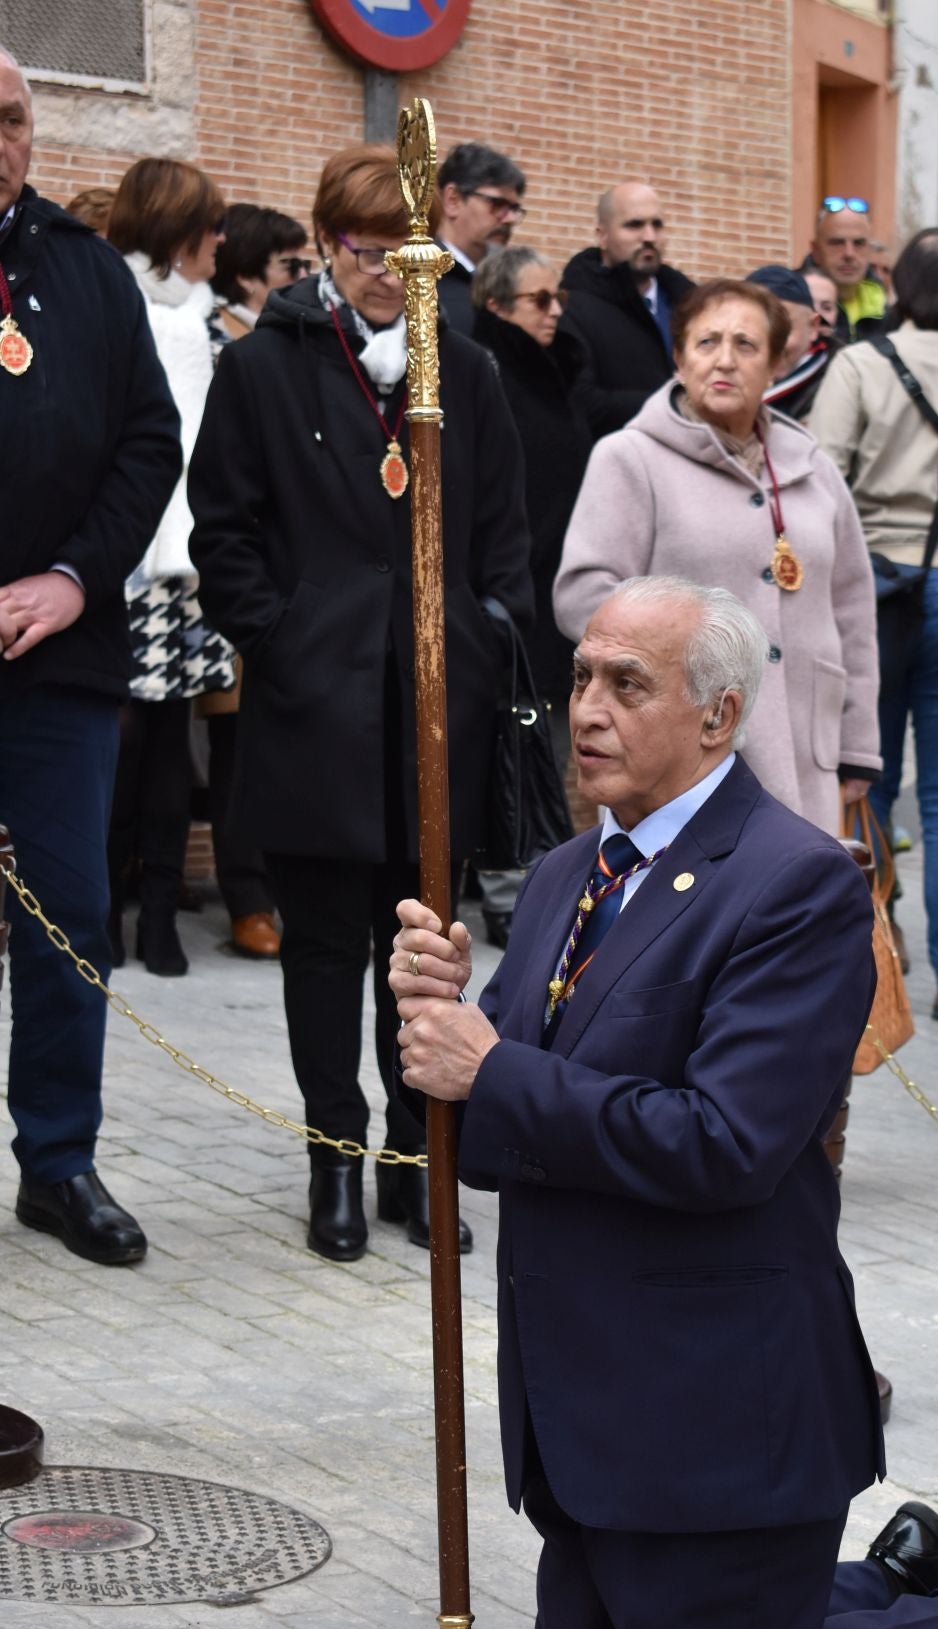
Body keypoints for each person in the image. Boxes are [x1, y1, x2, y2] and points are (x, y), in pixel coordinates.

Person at [386, 574, 938, 1629]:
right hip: (591, 1410)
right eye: (581, 677)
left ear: (716, 716)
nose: (586, 709)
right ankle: (881, 1582)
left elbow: (723, 1144)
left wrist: (493, 1068)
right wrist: (433, 1022)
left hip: (715, 1406)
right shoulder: (564, 876)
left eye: (628, 684)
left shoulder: (795, 884)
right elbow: (485, 1136)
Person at [189, 144, 533, 1265]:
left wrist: (479, 635)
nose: (390, 273)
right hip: (315, 705)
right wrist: (282, 637)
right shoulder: (263, 365)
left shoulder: (464, 370)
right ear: (326, 243)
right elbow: (223, 531)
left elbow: (504, 532)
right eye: (368, 251)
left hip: (436, 706)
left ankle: (413, 1161)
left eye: (410, 255)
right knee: (327, 948)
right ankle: (333, 1158)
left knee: (421, 950)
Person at [0, 45, 182, 1264]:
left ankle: (58, 1162)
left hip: (59, 660)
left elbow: (148, 443)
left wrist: (70, 579)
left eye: (11, 118)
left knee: (69, 912)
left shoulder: (86, 268)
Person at [554, 277, 880, 838]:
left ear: (776, 364)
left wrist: (858, 747)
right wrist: (680, 653)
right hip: (681, 749)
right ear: (679, 359)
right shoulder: (630, 458)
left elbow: (852, 608)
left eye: (746, 345)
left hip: (808, 749)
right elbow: (583, 593)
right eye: (707, 342)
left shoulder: (812, 466)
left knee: (799, 886)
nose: (724, 359)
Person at [809, 229, 938, 1019]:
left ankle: (874, 953)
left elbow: (820, 479)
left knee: (867, 778)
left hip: (875, 589)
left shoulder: (860, 363)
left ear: (899, 288)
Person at [105, 157, 237, 978]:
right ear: (175, 230)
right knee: (114, 744)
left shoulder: (210, 323)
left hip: (186, 570)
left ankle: (157, 918)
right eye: (209, 226)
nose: (221, 240)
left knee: (166, 746)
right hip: (113, 562)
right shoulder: (108, 304)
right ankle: (101, 911)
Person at [202, 201, 312, 963]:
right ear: (246, 275)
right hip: (239, 577)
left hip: (296, 576)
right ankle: (246, 896)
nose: (303, 278)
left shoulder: (303, 343)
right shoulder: (223, 342)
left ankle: (277, 890)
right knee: (232, 743)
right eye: (289, 267)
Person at [470, 245, 589, 944]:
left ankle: (538, 887)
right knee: (510, 744)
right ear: (496, 307)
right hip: (510, 587)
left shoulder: (556, 372)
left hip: (556, 587)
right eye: (539, 301)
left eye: (559, 300)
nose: (554, 313)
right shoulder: (487, 372)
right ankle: (507, 890)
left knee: (548, 746)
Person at [558, 179, 693, 437]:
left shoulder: (691, 305)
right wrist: (675, 401)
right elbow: (581, 404)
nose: (649, 237)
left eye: (657, 225)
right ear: (602, 236)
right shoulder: (571, 309)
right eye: (634, 225)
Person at [433, 141, 527, 338]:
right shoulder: (419, 277)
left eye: (514, 209)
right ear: (453, 200)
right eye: (497, 204)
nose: (509, 218)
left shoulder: (509, 285)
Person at [209, 202, 309, 342]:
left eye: (304, 265)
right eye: (290, 265)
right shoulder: (217, 339)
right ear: (247, 277)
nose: (303, 275)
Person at [747, 264, 830, 422]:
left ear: (813, 327)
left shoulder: (838, 388)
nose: (769, 344)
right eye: (753, 328)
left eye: (782, 328)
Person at [799, 197, 885, 346]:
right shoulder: (791, 305)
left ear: (870, 250)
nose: (849, 254)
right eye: (837, 243)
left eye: (858, 243)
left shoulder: (888, 313)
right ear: (816, 250)